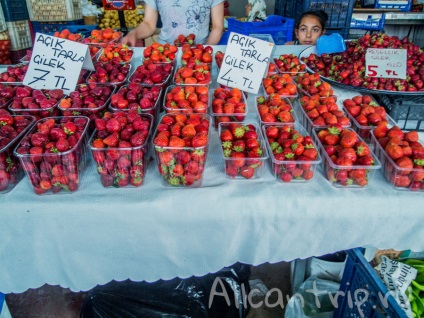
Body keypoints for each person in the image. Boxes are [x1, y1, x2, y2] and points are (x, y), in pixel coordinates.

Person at [122, 0, 224, 46]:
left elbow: (217, 28)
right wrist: (133, 34)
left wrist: (203, 52)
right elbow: (148, 24)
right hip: (165, 53)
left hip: (199, 51)